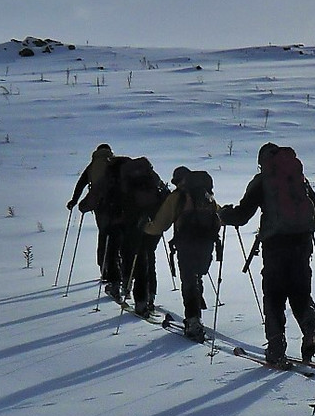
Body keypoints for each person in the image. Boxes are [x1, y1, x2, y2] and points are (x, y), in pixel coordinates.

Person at [219, 142, 315, 366]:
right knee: (299, 290)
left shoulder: (262, 181)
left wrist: (223, 215)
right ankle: (310, 325)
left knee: (274, 295)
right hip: (302, 243)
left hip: (275, 245)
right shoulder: (298, 179)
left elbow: (241, 215)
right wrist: (307, 229)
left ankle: (276, 348)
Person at [143, 167, 224, 339]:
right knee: (196, 275)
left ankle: (193, 320)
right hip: (207, 243)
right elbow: (219, 214)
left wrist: (145, 227)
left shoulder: (177, 197)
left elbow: (160, 225)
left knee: (188, 279)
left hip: (186, 243)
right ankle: (196, 307)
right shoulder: (206, 196)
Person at [110, 156, 169, 315]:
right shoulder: (151, 176)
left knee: (139, 258)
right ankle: (150, 296)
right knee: (150, 256)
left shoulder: (124, 178)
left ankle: (139, 300)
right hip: (153, 222)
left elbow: (119, 201)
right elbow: (165, 194)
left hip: (134, 223)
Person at [66, 144, 118, 296]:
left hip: (101, 208)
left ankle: (105, 271)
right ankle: (120, 274)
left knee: (103, 237)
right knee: (117, 239)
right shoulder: (115, 164)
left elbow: (81, 184)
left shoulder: (93, 166)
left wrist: (74, 201)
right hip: (118, 207)